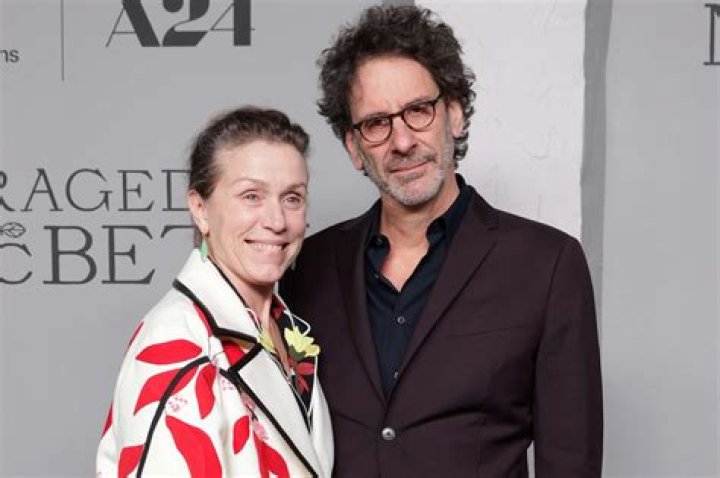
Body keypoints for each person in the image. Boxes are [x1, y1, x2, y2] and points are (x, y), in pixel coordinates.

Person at [280, 6, 602, 477]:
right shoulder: (308, 267)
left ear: (454, 114)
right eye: (376, 123)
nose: (402, 141)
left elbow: (570, 462)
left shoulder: (546, 265)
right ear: (353, 147)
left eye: (418, 111)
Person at [97, 107, 333, 477]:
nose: (276, 221)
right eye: (251, 196)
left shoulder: (285, 327)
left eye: (292, 198)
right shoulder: (178, 344)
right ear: (200, 208)